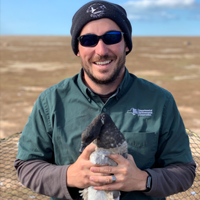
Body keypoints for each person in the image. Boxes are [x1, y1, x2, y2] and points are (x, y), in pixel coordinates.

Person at [14, 1, 196, 200]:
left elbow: (184, 170)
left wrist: (144, 180)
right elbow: (27, 167)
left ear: (126, 44)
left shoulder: (160, 101)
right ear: (77, 49)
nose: (101, 50)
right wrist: (69, 176)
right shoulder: (50, 102)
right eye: (88, 40)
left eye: (112, 37)